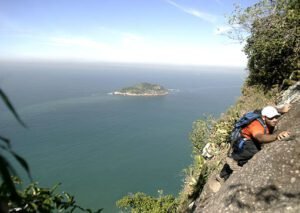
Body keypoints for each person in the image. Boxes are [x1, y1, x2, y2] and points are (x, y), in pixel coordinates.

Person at [219, 104, 291, 180]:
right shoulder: (256, 125)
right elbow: (260, 137)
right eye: (271, 118)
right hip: (243, 140)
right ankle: (233, 159)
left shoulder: (264, 113)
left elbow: (268, 108)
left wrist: (281, 110)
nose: (275, 120)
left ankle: (224, 175)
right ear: (264, 117)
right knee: (254, 150)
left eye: (276, 117)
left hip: (250, 139)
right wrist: (276, 136)